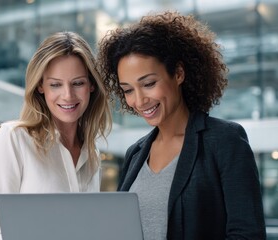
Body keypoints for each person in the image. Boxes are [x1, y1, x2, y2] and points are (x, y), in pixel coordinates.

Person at [97, 10, 266, 240]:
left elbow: (248, 234)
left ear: (178, 73)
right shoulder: (135, 154)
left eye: (148, 83)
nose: (139, 100)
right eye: (127, 90)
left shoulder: (225, 140)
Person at [0, 31, 112, 240]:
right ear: (41, 86)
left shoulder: (92, 152)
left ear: (92, 85)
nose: (68, 95)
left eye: (78, 83)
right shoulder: (13, 139)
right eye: (55, 84)